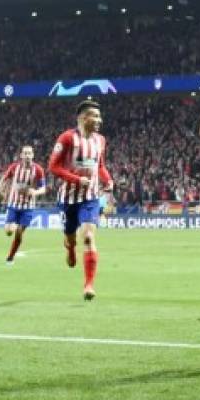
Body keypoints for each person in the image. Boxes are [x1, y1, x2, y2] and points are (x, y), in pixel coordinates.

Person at [49, 100, 114, 300]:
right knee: (71, 237)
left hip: (90, 198)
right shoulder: (67, 138)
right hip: (68, 198)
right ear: (82, 118)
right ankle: (70, 248)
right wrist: (77, 179)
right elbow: (53, 167)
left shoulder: (100, 140)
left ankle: (88, 285)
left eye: (99, 116)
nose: (99, 120)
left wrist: (108, 179)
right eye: (95, 116)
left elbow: (99, 165)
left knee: (88, 237)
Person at [0, 145, 47, 265]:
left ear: (33, 155)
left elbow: (44, 188)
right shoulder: (14, 167)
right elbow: (4, 179)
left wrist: (36, 192)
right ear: (21, 155)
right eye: (25, 153)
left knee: (19, 232)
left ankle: (10, 257)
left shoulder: (38, 170)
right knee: (8, 231)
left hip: (27, 207)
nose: (27, 155)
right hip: (13, 204)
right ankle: (13, 232)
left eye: (29, 153)